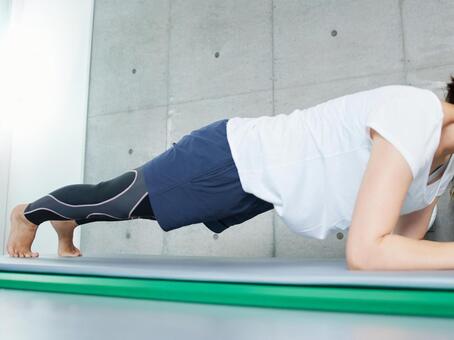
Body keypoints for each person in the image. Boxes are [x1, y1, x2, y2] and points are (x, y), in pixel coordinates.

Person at [6, 78, 454, 271]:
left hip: (259, 189)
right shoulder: (414, 114)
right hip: (232, 156)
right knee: (120, 200)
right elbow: (368, 252)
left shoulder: (441, 166)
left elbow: (401, 249)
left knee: (139, 212)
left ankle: (70, 222)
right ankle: (30, 213)